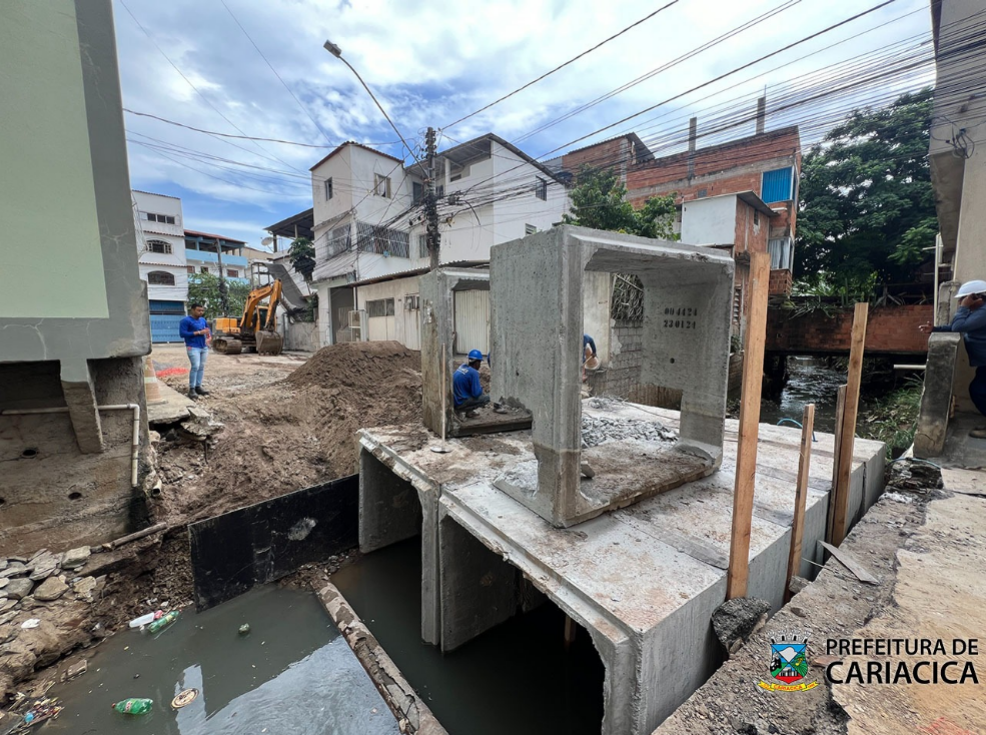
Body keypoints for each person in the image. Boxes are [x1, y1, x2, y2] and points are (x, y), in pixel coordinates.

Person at [919, 279, 986, 438]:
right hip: (984, 363)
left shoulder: (984, 311)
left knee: (978, 391)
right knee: (979, 390)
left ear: (976, 297)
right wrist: (935, 329)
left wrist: (963, 307)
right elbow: (957, 326)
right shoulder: (978, 312)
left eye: (964, 299)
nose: (962, 302)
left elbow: (959, 326)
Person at [179, 303, 211, 400]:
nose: (201, 312)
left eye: (202, 310)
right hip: (193, 347)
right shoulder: (185, 321)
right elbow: (182, 334)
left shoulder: (203, 320)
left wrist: (209, 337)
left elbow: (208, 329)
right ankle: (191, 388)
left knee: (201, 367)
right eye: (198, 310)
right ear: (192, 310)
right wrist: (198, 333)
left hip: (203, 347)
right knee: (195, 366)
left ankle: (198, 386)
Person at [453, 349, 490, 418]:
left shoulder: (462, 366)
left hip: (454, 400)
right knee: (487, 397)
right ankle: (464, 410)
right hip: (460, 402)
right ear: (476, 363)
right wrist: (481, 388)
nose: (480, 365)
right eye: (479, 363)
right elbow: (476, 393)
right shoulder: (473, 372)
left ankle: (468, 412)